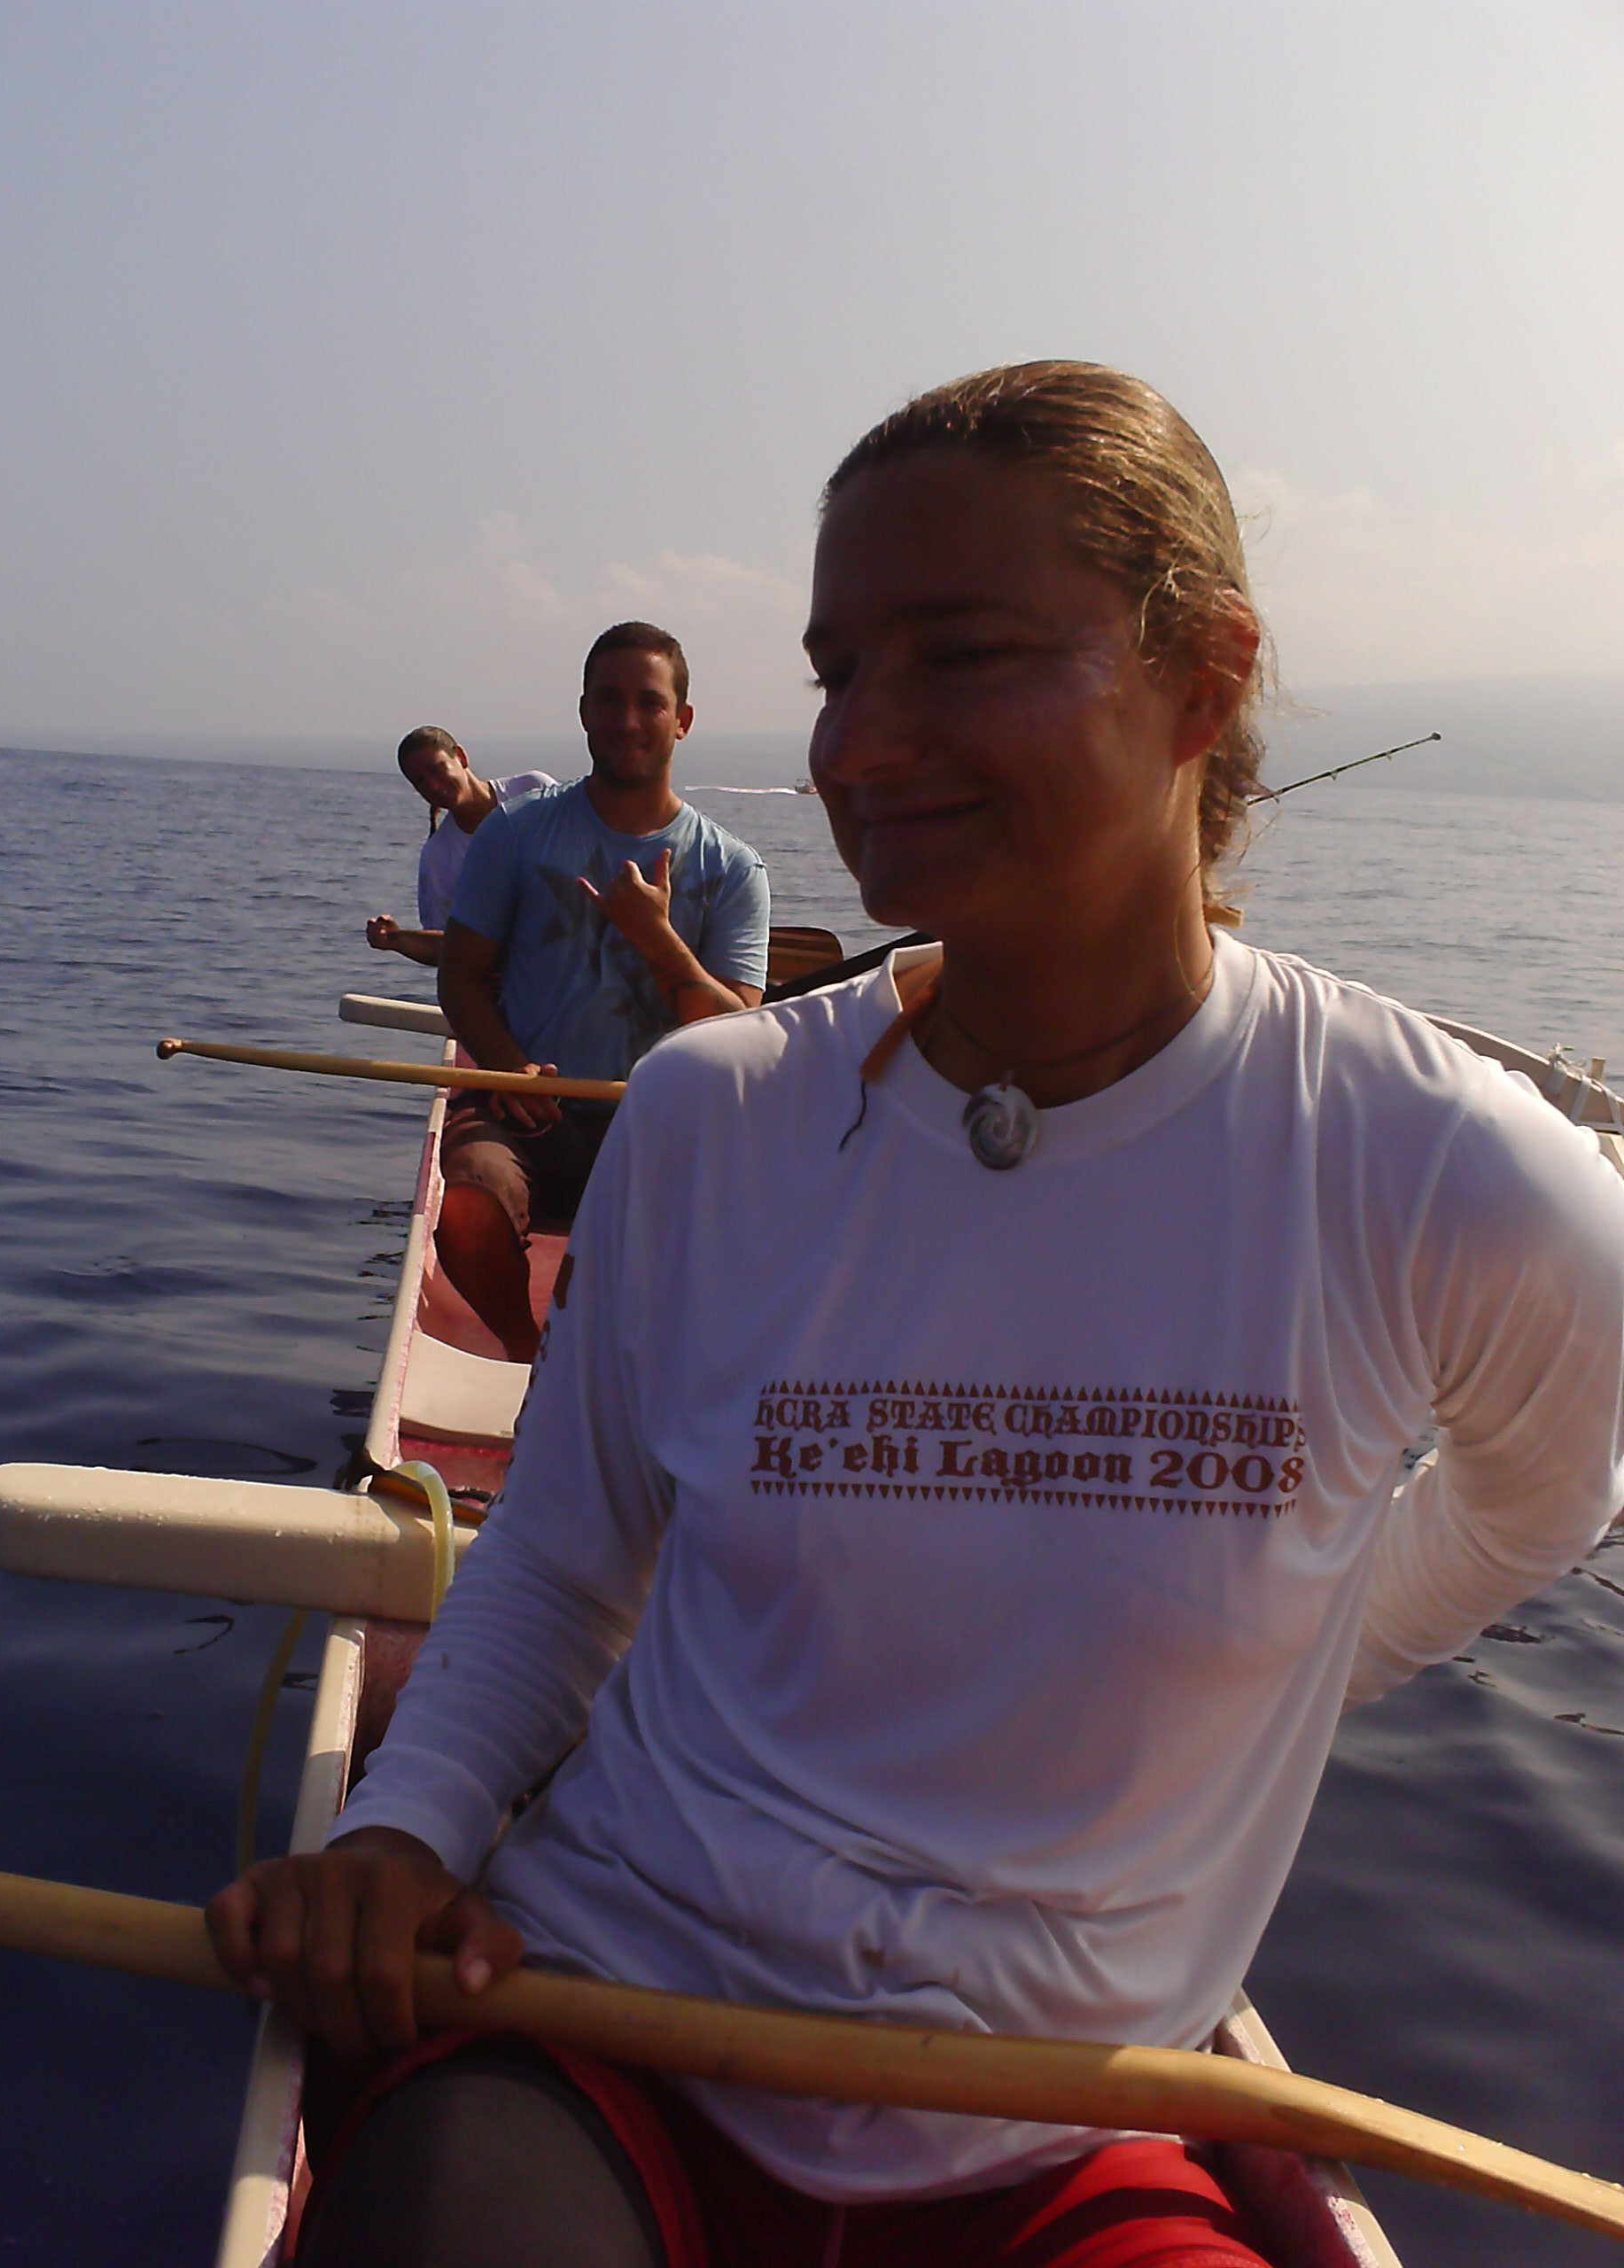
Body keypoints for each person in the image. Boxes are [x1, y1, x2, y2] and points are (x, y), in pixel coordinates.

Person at [208, 364, 1624, 2268]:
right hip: (606, 2025)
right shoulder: (711, 1119)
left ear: (1204, 677)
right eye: (839, 670)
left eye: (959, 655)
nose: (861, 740)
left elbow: (1547, 1498)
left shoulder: (1442, 1169)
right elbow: (557, 1566)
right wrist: (402, 1839)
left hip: (1071, 2126)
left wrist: (1298, 1637)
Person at [432, 621, 770, 1359]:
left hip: (658, 1120)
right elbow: (459, 974)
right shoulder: (513, 832)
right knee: (467, 1206)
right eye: (608, 700)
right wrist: (507, 1067)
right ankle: (529, 1356)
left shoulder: (733, 869)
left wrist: (657, 939)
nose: (627, 720)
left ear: (682, 720)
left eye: (650, 702)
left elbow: (739, 1034)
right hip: (524, 1110)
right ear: (584, 712)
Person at [364, 728, 557, 968]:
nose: (433, 786)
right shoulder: (437, 856)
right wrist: (397, 940)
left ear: (461, 757)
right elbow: (450, 947)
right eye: (420, 782)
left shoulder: (532, 790)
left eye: (437, 769)